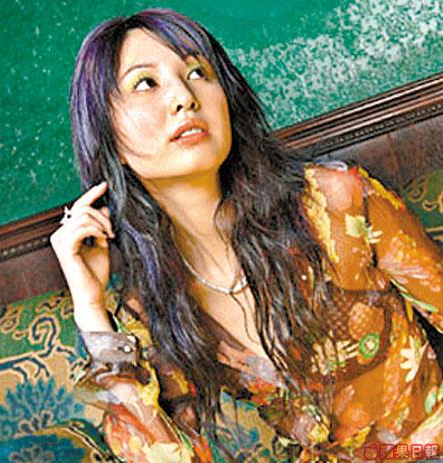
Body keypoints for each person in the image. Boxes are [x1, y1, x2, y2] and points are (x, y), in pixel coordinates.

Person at [50, 8, 443, 463]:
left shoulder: (337, 203)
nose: (183, 97)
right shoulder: (155, 306)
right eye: (146, 83)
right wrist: (91, 310)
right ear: (110, 137)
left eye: (198, 73)